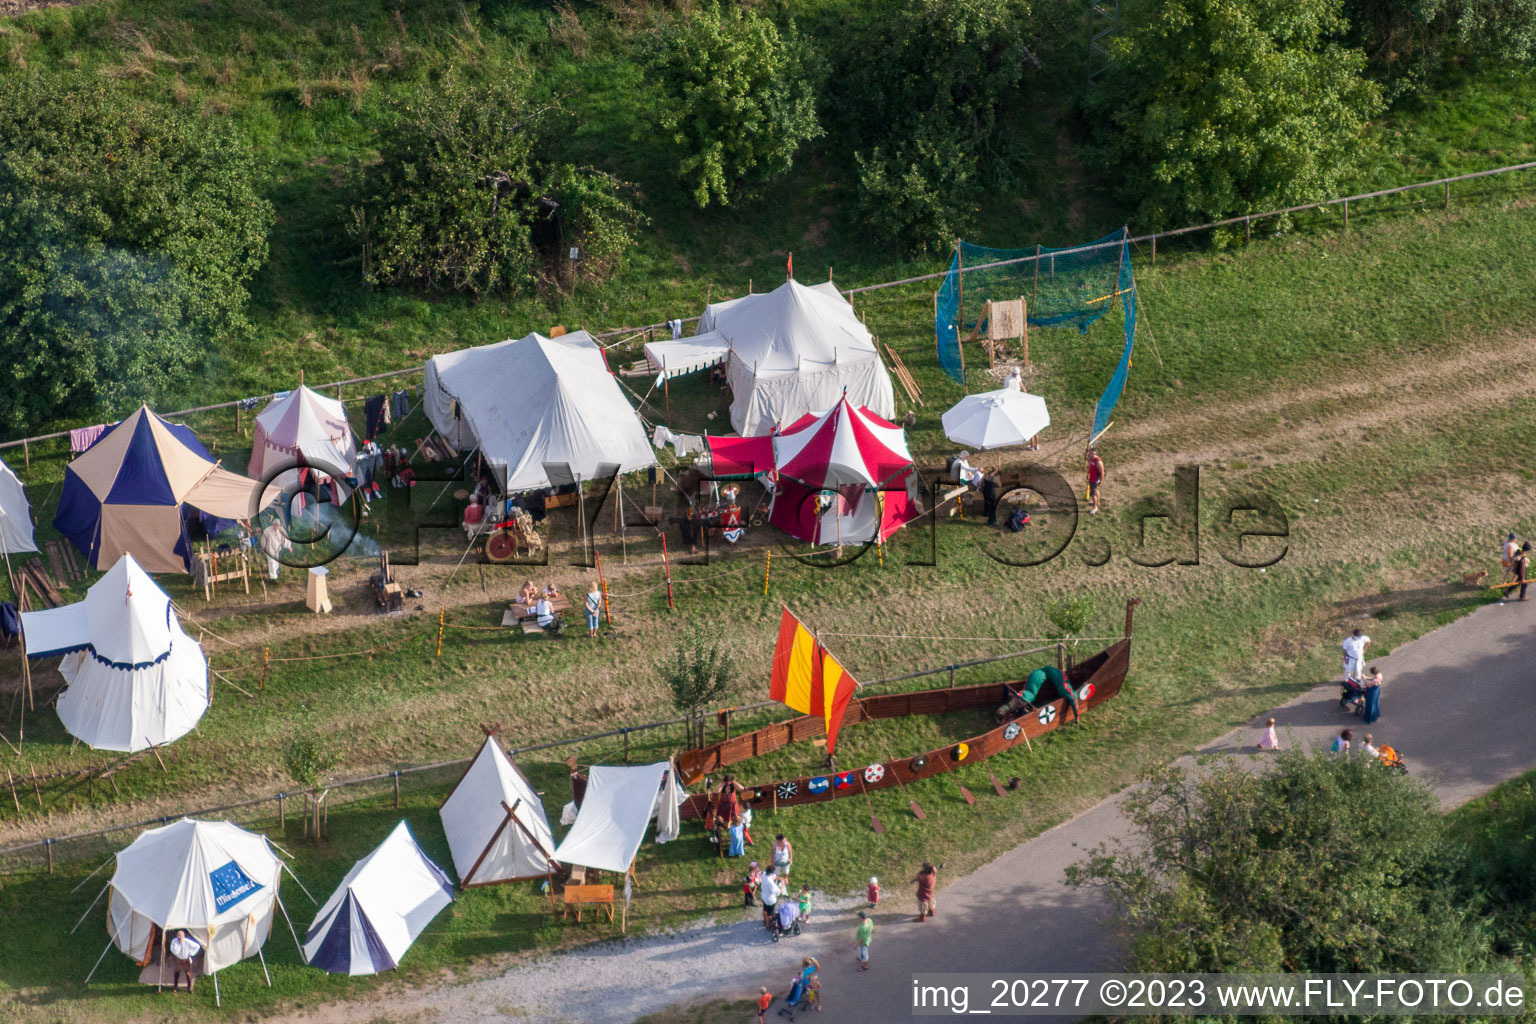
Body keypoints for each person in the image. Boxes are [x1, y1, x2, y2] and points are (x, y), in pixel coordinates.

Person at [168, 928, 201, 994]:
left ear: (183, 936)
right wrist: (179, 944)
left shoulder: (187, 941)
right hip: (178, 960)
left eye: (181, 936)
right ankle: (175, 987)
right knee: (176, 974)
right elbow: (174, 950)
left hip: (186, 960)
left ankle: (189, 987)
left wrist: (191, 953)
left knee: (188, 974)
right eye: (178, 936)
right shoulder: (174, 941)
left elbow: (197, 946)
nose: (179, 937)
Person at [1086, 448, 1105, 514]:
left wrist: (1101, 480)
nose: (1088, 454)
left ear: (1093, 453)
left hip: (1095, 479)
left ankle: (1095, 508)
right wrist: (1088, 473)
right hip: (1092, 477)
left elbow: (1102, 472)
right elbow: (1090, 467)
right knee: (1096, 490)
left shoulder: (1098, 462)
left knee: (1093, 494)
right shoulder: (1091, 458)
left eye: (1090, 452)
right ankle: (1098, 502)